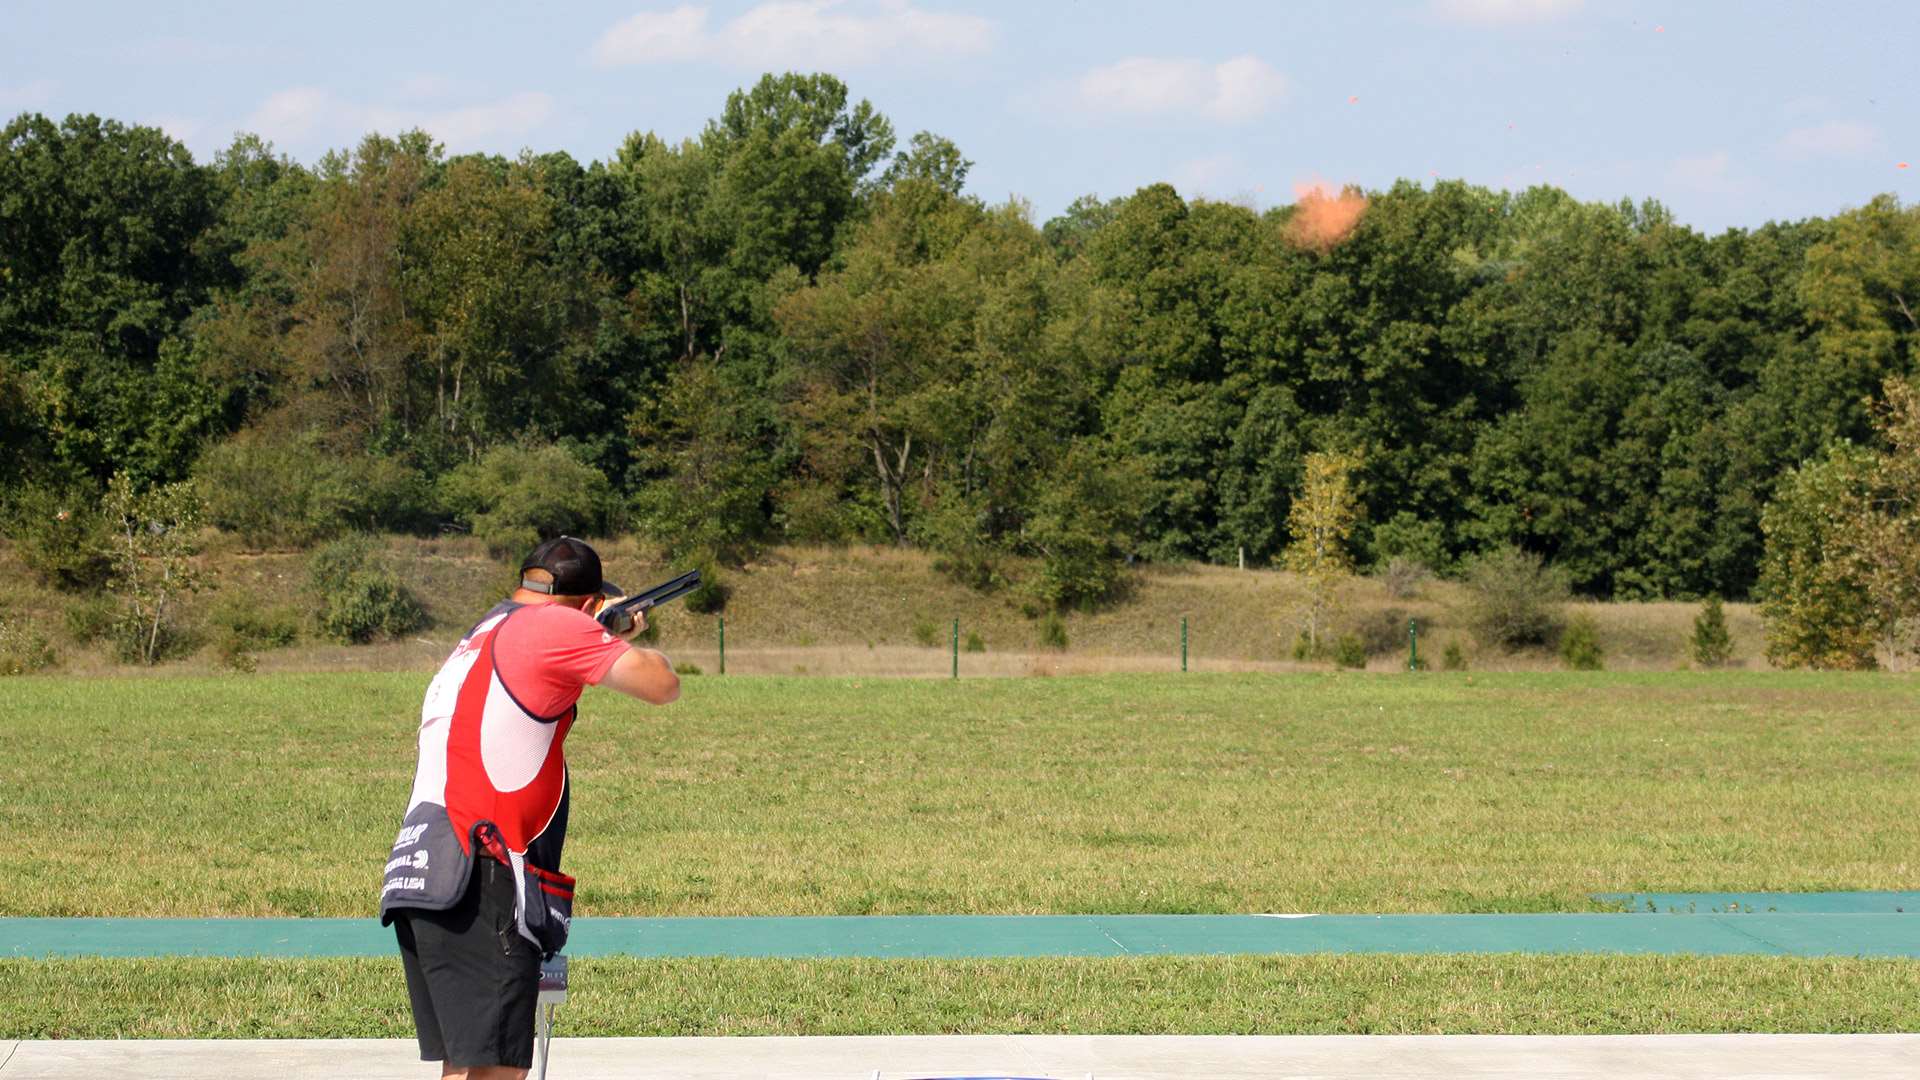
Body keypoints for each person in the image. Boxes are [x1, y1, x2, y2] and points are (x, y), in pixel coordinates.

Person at [377, 536, 679, 1080]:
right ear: (587, 605)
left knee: (466, 1063)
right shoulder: (559, 626)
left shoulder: (483, 631)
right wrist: (609, 635)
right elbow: (662, 684)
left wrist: (599, 633)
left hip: (425, 865)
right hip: (482, 866)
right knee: (496, 1071)